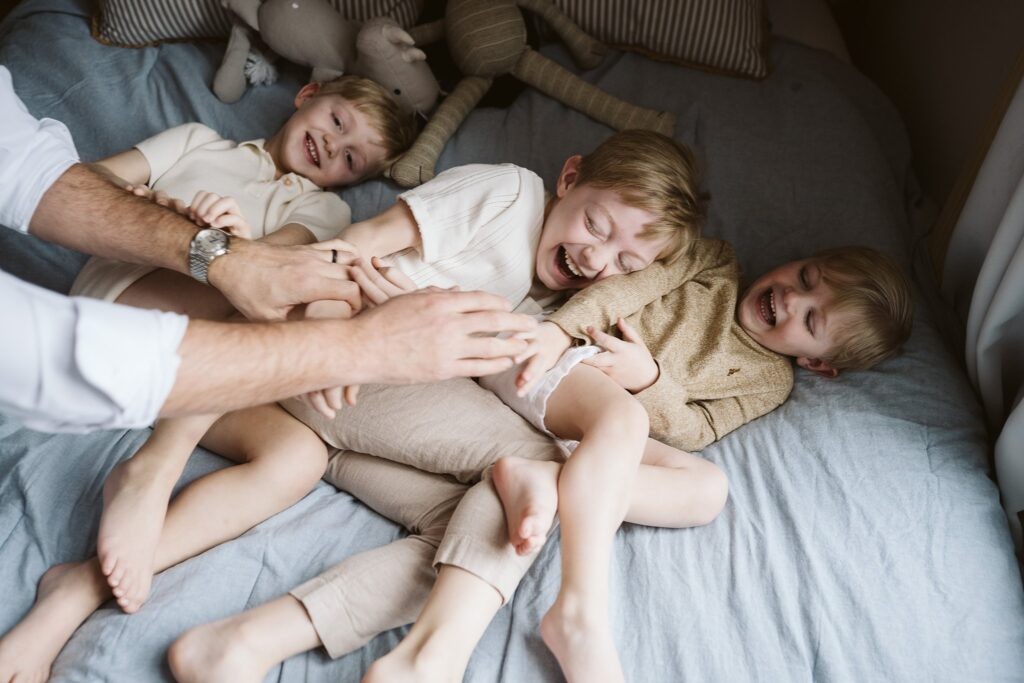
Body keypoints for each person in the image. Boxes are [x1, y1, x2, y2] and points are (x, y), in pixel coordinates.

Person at [166, 240, 912, 683]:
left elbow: (688, 430)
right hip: (539, 369)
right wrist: (567, 337)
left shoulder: (769, 381)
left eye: (812, 320)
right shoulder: (712, 261)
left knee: (704, 489)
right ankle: (564, 612)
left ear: (820, 368)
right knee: (572, 454)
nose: (790, 298)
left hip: (556, 425)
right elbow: (625, 286)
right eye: (806, 277)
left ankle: (239, 644)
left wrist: (653, 378)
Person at [159, 130, 711, 682]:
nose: (596, 258)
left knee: (484, 525)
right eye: (595, 226)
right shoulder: (510, 194)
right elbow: (356, 241)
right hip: (337, 350)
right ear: (568, 179)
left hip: (344, 410)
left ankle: (240, 644)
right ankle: (440, 661)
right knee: (538, 470)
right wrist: (328, 346)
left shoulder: (551, 301)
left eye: (625, 262)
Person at [0, 66, 533, 433]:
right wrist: (148, 199)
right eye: (337, 122)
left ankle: (153, 469)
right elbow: (86, 181)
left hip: (207, 338)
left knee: (294, 456)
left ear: (352, 182)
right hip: (124, 287)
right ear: (308, 94)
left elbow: (275, 264)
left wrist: (236, 241)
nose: (331, 145)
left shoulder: (328, 211)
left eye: (350, 160)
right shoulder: (197, 140)